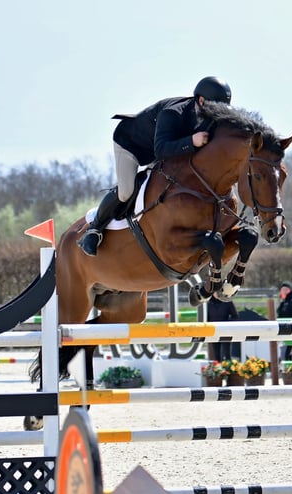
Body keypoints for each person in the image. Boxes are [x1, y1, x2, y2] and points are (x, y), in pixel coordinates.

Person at [78, 76, 233, 256]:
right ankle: (94, 230)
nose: (219, 115)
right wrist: (191, 140)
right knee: (127, 191)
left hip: (165, 149)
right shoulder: (173, 112)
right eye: (217, 109)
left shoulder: (208, 115)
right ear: (201, 100)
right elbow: (160, 150)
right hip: (132, 145)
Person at [206, 292, 239, 362]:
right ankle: (218, 371)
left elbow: (235, 316)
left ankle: (229, 371)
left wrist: (227, 324)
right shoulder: (208, 303)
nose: (216, 293)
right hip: (214, 332)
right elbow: (207, 318)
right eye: (214, 292)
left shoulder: (227, 302)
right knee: (216, 355)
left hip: (226, 332)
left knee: (227, 355)